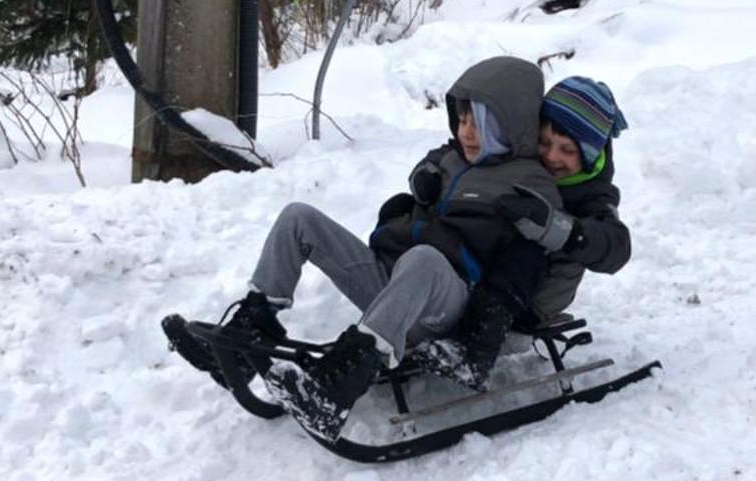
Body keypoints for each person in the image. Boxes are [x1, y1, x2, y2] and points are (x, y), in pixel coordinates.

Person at [164, 56, 561, 438]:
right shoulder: (454, 160)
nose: (466, 133)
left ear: (511, 124)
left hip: (452, 305)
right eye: (461, 119)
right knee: (298, 216)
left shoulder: (530, 182)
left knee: (424, 258)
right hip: (396, 284)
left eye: (480, 123)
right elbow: (425, 182)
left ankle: (338, 388)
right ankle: (251, 327)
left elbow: (539, 252)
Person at [457, 74, 632, 368]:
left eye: (567, 149)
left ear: (589, 154)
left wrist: (562, 230)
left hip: (537, 296)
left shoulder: (593, 195)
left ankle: (488, 331)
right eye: (544, 141)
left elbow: (616, 245)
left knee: (528, 249)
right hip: (490, 280)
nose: (551, 156)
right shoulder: (524, 164)